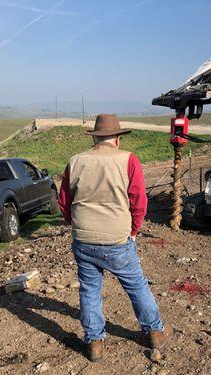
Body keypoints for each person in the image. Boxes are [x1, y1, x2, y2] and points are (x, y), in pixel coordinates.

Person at [58, 114, 172, 361]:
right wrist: (133, 230)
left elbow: (64, 201)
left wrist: (75, 224)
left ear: (96, 137)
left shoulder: (75, 161)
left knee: (89, 291)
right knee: (137, 286)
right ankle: (154, 332)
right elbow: (139, 201)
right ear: (118, 138)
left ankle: (95, 343)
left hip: (84, 239)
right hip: (117, 240)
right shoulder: (128, 160)